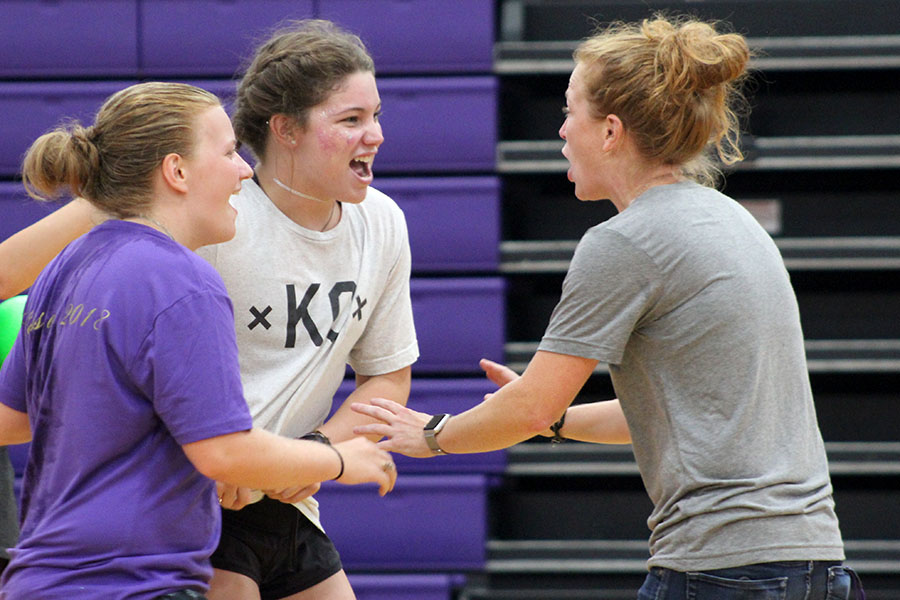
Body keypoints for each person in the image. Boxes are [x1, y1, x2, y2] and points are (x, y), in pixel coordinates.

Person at [352, 15, 865, 600]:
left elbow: (529, 406)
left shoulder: (625, 242)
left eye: (570, 112)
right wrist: (558, 422)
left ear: (612, 131)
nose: (563, 131)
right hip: (819, 568)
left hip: (725, 573)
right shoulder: (729, 220)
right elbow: (671, 413)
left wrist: (437, 435)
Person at [0, 20, 418, 600]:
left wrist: (311, 458)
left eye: (375, 114)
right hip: (183, 523)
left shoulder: (72, 273)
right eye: (350, 119)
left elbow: (15, 417)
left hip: (242, 503)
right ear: (284, 130)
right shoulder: (188, 252)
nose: (373, 134)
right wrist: (336, 463)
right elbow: (222, 448)